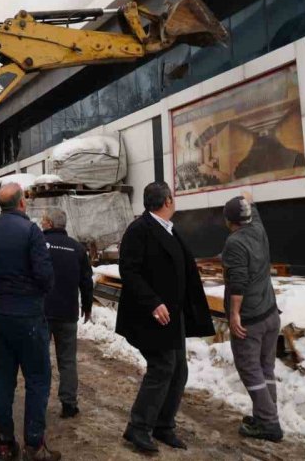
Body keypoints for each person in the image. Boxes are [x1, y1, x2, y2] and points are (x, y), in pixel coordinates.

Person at [116, 182, 215, 454]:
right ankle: (138, 427)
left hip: (174, 315)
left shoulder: (168, 229)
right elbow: (129, 270)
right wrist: (153, 302)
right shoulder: (140, 230)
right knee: (162, 368)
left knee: (179, 370)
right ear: (168, 201)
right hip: (151, 316)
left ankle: (163, 424)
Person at [0, 183, 60, 461]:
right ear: (22, 203)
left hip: (0, 314)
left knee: (3, 380)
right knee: (37, 379)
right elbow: (45, 275)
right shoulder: (31, 231)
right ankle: (34, 445)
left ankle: (5, 443)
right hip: (29, 315)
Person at [222, 191, 283, 443]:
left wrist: (234, 314)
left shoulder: (235, 243)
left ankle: (269, 423)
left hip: (251, 319)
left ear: (229, 221)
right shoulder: (258, 228)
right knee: (265, 367)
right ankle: (264, 415)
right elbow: (251, 202)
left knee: (249, 370)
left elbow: (238, 282)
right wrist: (246, 197)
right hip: (270, 314)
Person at [40, 208, 93, 419]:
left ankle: (40, 402)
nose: (41, 223)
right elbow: (86, 281)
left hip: (42, 312)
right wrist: (87, 307)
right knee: (68, 361)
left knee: (40, 359)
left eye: (44, 220)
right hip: (68, 312)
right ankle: (69, 404)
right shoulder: (77, 248)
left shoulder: (38, 245)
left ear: (50, 224)